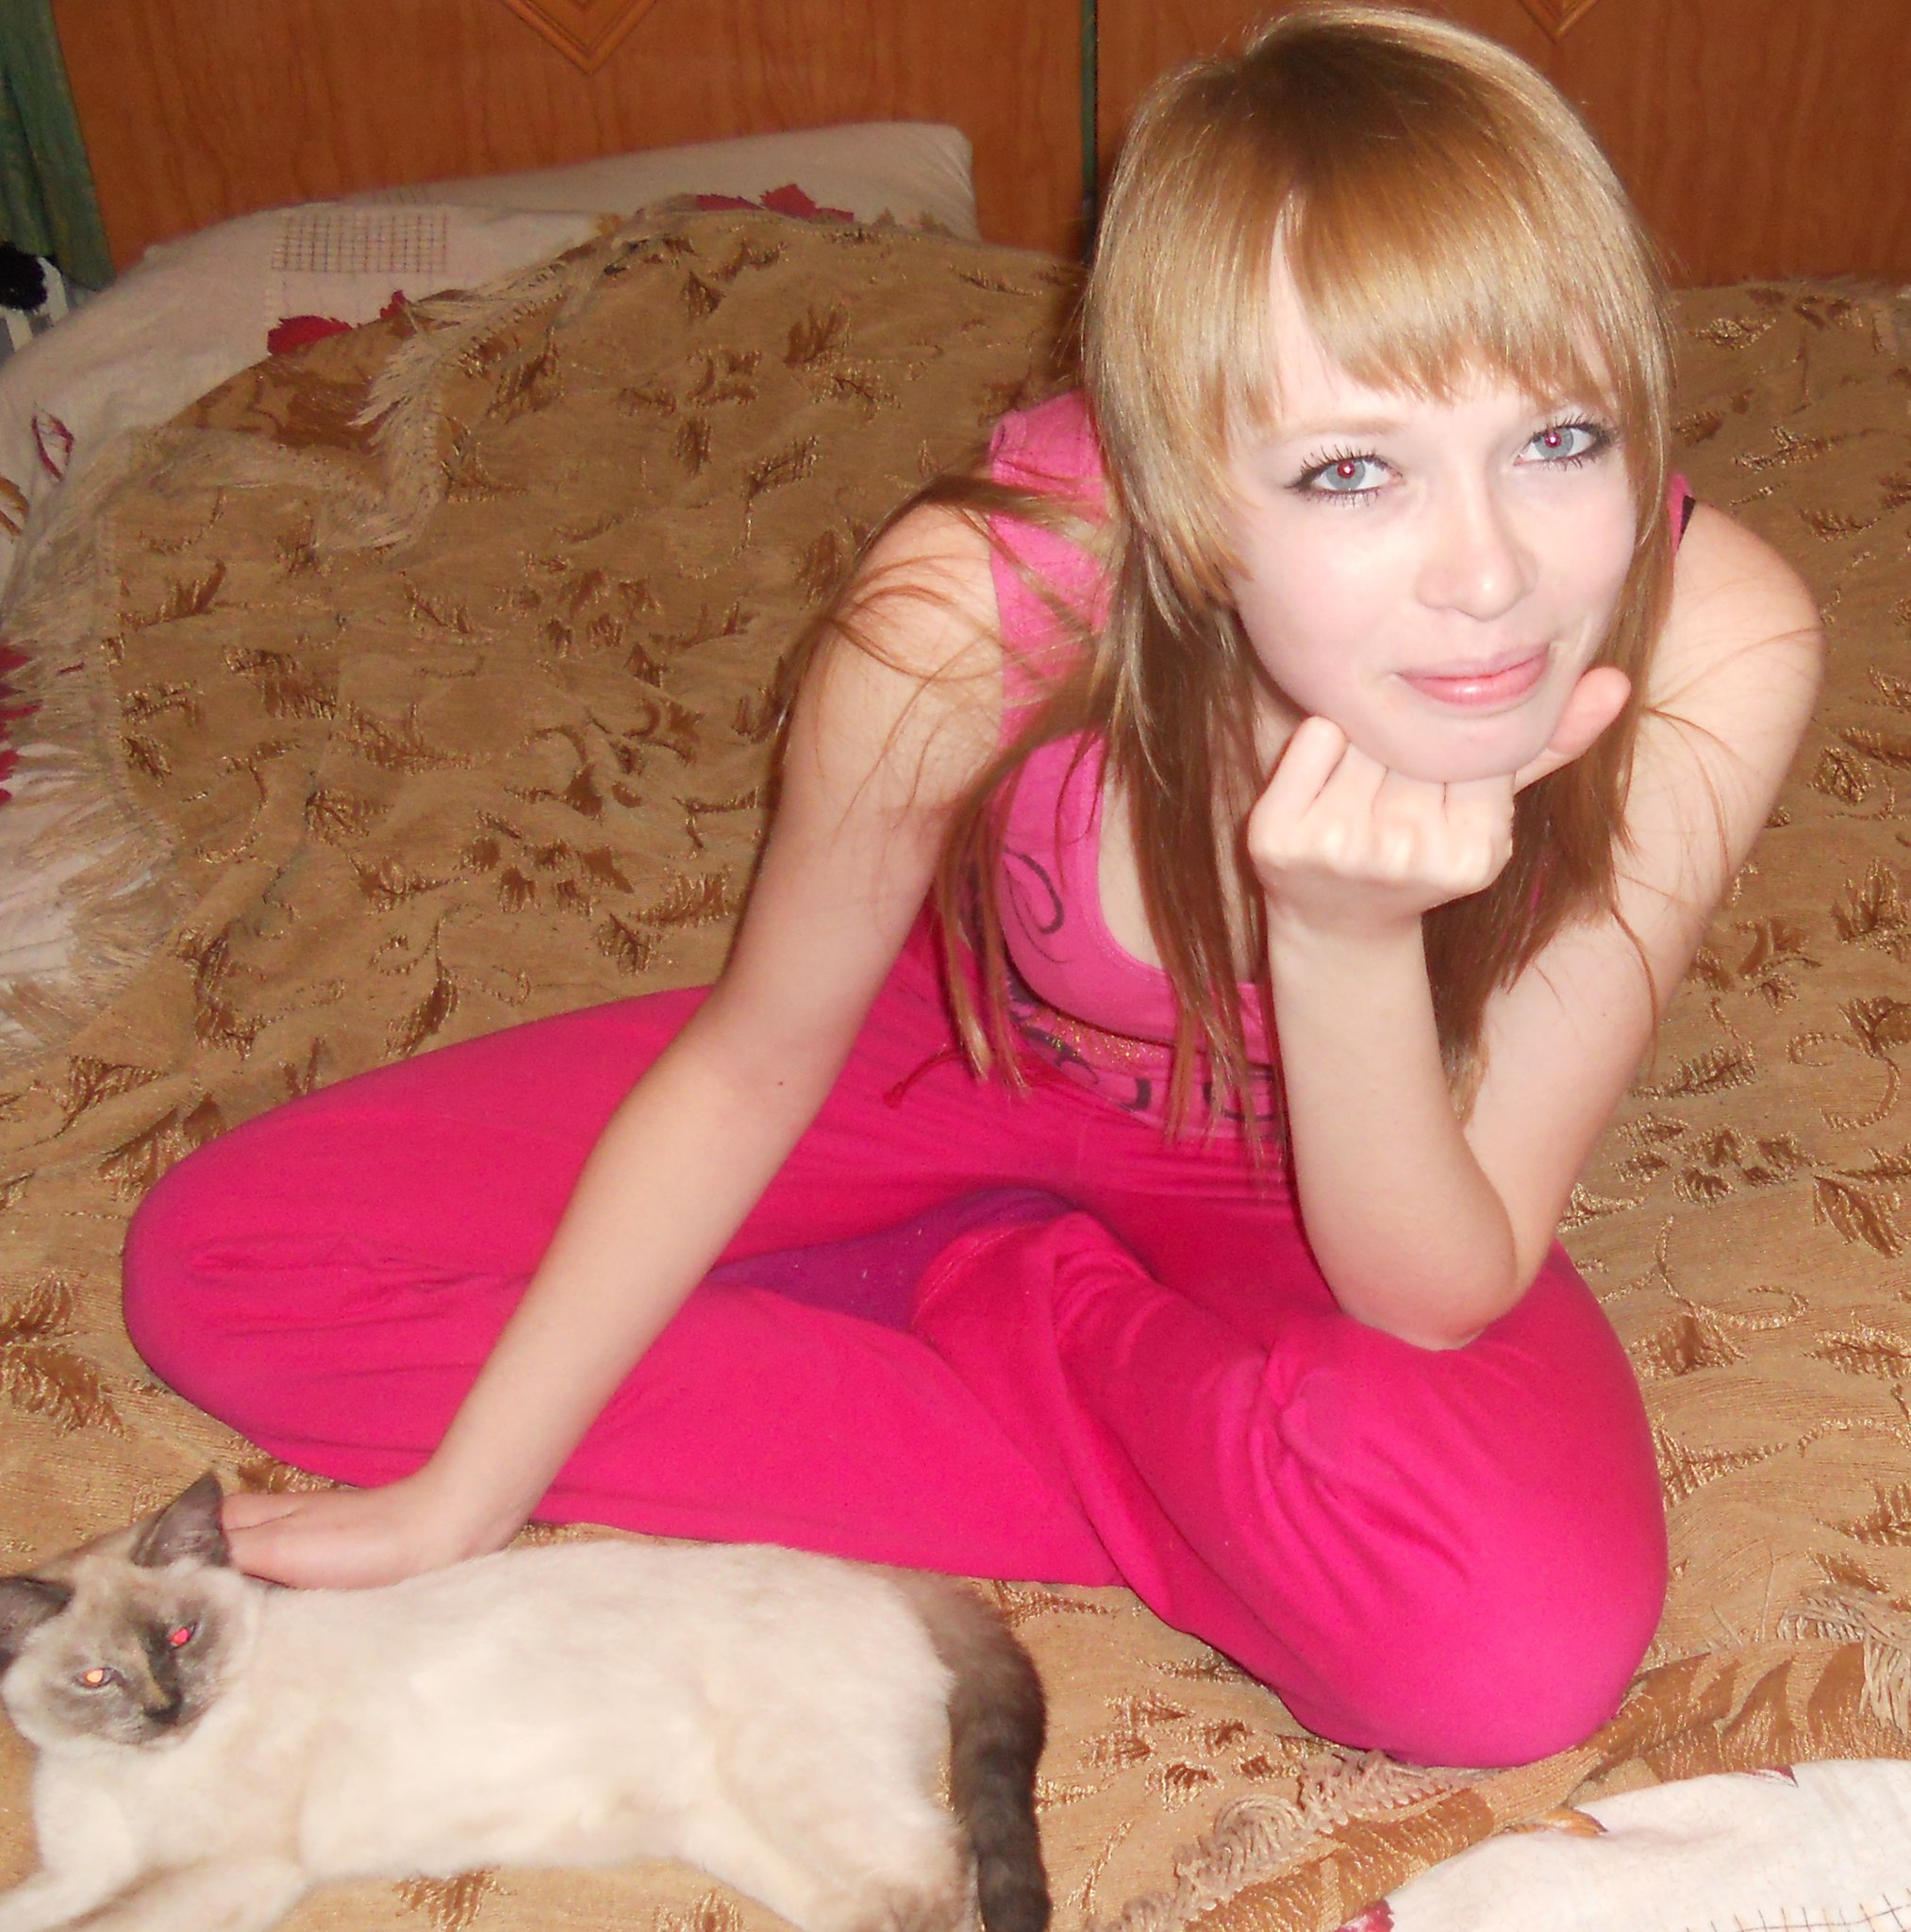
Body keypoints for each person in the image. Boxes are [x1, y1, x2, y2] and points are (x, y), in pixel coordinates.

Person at [121, 3, 1821, 1768]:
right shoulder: (972, 610)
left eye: (1559, 439)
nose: (1487, 575)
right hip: (966, 1051)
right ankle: (1201, 1477)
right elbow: (760, 1057)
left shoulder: (1717, 642)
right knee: (224, 1271)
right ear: (1180, 486)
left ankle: (1014, 1302)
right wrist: (464, 1493)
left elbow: (1436, 1285)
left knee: (1498, 1664)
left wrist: (1342, 944)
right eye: (1348, 469)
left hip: (1343, 1148)